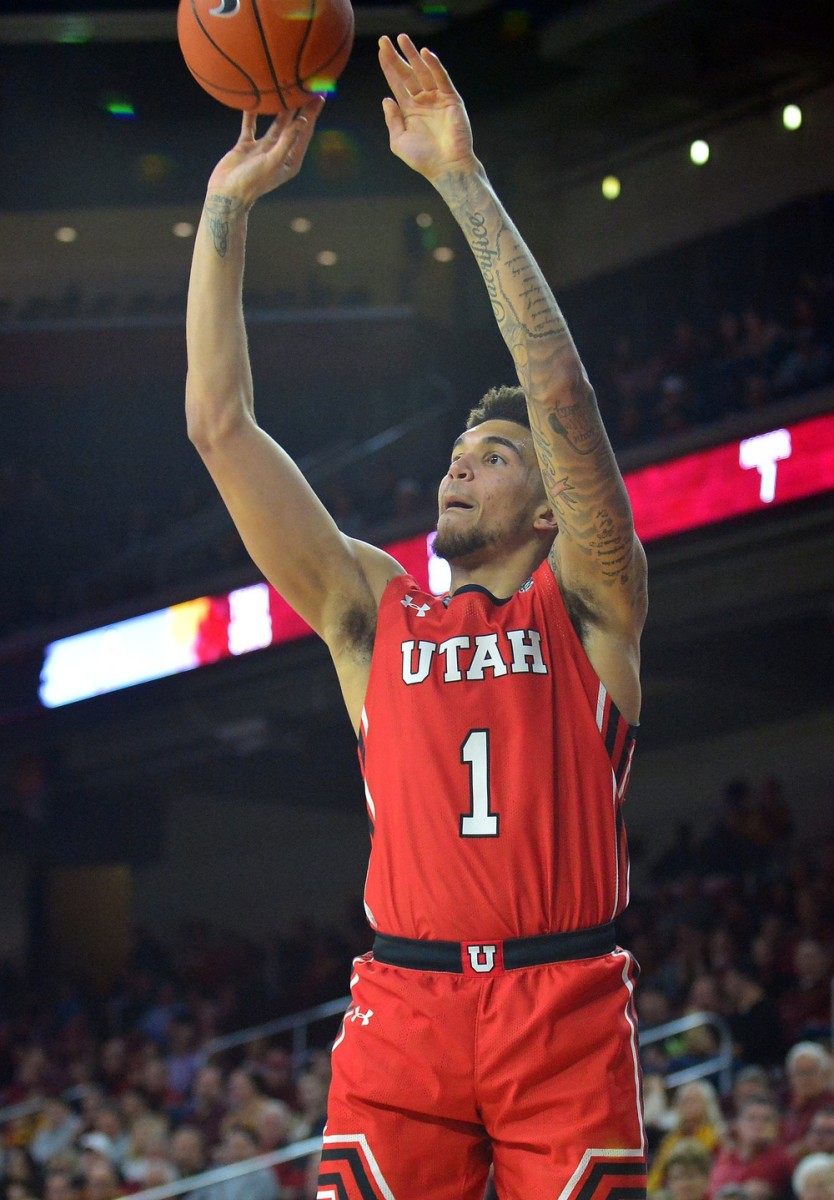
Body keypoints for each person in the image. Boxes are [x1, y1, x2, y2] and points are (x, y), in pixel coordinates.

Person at [185, 31, 648, 1200]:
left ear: (548, 508)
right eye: (456, 452)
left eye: (492, 459)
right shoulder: (372, 616)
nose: (459, 467)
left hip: (565, 1002)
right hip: (405, 1005)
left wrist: (461, 178)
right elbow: (219, 426)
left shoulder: (589, 608)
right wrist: (224, 210)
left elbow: (557, 391)